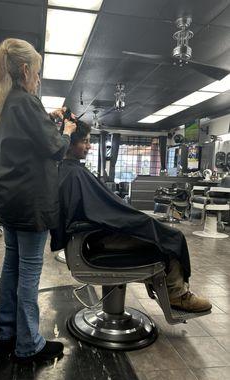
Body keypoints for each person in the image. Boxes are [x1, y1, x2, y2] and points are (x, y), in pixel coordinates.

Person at [50, 121, 212, 313]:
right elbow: (92, 211)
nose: (89, 146)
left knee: (159, 231)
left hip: (99, 234)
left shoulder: (70, 171)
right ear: (70, 144)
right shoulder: (73, 174)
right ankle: (177, 295)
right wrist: (126, 217)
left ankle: (174, 290)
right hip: (100, 238)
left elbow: (94, 207)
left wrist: (123, 214)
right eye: (84, 142)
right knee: (171, 239)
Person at [0, 38, 76, 364]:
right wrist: (65, 129)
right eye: (37, 73)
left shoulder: (3, 103)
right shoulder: (26, 102)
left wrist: (47, 119)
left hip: (10, 203)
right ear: (25, 70)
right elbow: (55, 148)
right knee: (28, 276)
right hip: (30, 205)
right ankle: (29, 345)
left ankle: (7, 334)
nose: (38, 79)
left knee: (12, 270)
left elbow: (29, 141)